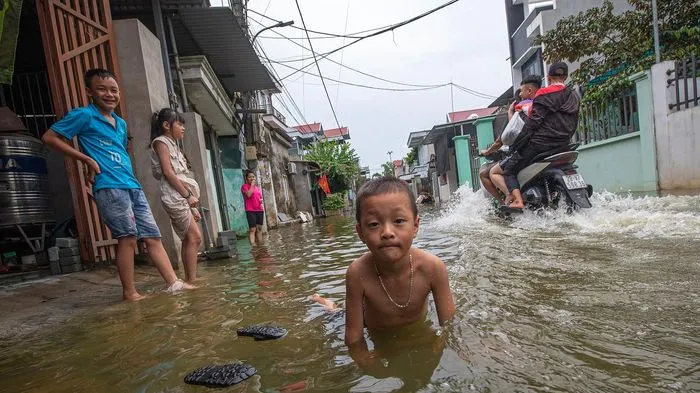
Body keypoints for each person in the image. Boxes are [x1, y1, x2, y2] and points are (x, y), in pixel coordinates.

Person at [42, 69, 194, 301]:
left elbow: (119, 151)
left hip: (131, 184)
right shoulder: (83, 116)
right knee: (128, 237)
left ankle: (174, 283)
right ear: (89, 92)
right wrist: (86, 159)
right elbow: (49, 137)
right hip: (109, 185)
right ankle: (130, 292)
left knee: (153, 236)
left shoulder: (120, 124)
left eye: (113, 90)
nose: (109, 94)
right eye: (102, 89)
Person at [312, 177, 455, 371]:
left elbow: (450, 327)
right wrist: (368, 365)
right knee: (335, 314)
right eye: (373, 224)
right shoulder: (357, 273)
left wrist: (436, 350)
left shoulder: (433, 268)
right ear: (360, 232)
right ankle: (327, 304)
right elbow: (353, 338)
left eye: (398, 221)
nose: (387, 232)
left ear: (415, 226)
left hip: (414, 329)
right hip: (371, 327)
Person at [503, 62, 581, 210]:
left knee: (509, 170)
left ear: (549, 76)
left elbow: (533, 123)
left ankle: (518, 202)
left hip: (541, 144)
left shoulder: (544, 94)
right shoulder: (574, 95)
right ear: (565, 76)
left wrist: (517, 144)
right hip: (564, 144)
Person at [150, 108, 203, 285]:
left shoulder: (173, 144)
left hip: (181, 195)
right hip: (176, 195)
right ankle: (191, 280)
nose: (183, 128)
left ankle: (190, 279)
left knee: (190, 238)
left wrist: (190, 201)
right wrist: (188, 196)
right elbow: (168, 172)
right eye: (179, 124)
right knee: (194, 237)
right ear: (166, 125)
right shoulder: (161, 142)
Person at [481, 75, 542, 203]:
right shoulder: (543, 106)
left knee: (494, 172)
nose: (521, 94)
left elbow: (507, 136)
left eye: (521, 91)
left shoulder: (522, 110)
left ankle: (509, 200)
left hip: (524, 151)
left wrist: (487, 152)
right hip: (545, 148)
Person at [241, 170, 264, 245]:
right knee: (252, 229)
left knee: (259, 228)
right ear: (246, 178)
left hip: (259, 210)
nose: (252, 178)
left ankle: (260, 244)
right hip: (250, 210)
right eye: (250, 177)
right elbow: (248, 195)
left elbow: (260, 198)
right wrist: (252, 185)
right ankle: (253, 245)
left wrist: (261, 201)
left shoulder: (257, 188)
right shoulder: (244, 186)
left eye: (253, 177)